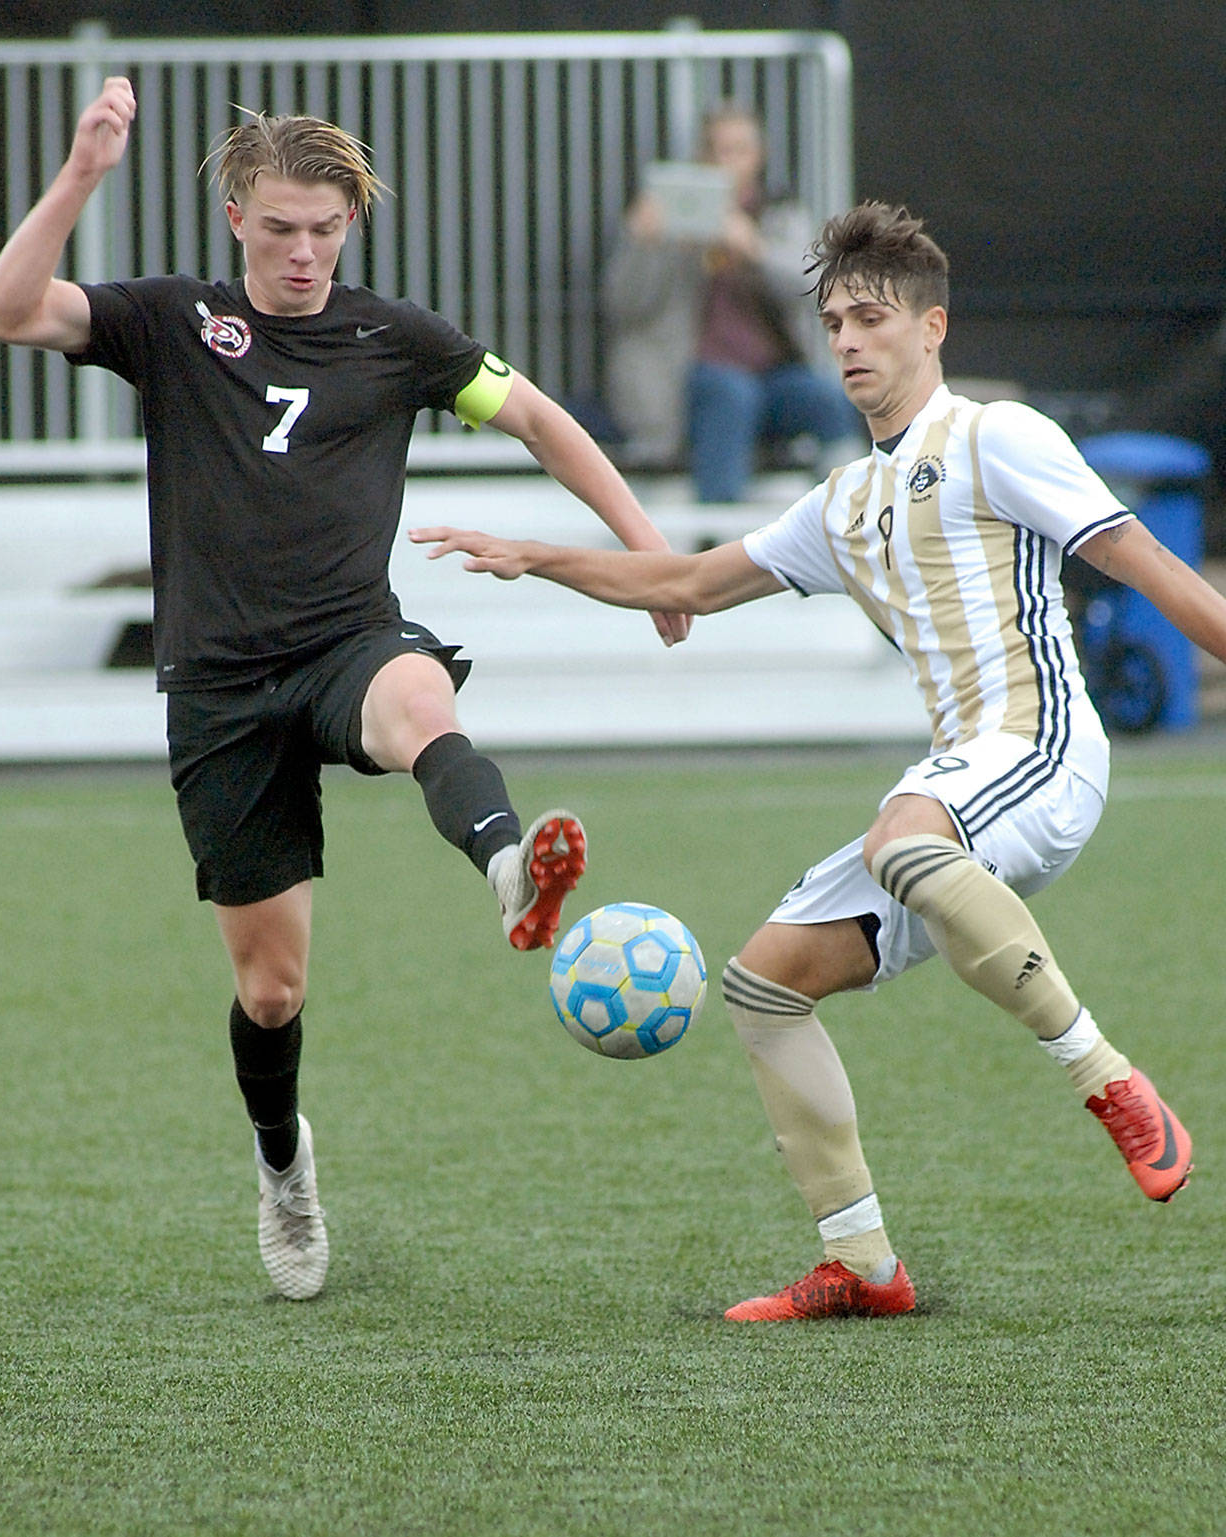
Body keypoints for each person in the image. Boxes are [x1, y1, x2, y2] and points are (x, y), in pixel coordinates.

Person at [415, 200, 1226, 1321]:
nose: (847, 340)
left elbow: (1146, 567)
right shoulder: (845, 503)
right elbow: (689, 585)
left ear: (931, 327)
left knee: (902, 831)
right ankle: (864, 1264)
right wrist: (531, 555)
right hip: (954, 793)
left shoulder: (996, 436)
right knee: (761, 984)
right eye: (834, 321)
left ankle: (1109, 1083)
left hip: (1038, 750)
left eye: (871, 319)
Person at [0, 77, 690, 1303]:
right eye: (279, 228)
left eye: (325, 229)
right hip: (218, 686)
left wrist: (649, 556)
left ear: (350, 221)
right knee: (271, 988)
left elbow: (539, 419)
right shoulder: (169, 322)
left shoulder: (393, 336)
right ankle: (283, 1167)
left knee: (421, 705)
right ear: (238, 219)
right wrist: (84, 171)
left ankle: (514, 868)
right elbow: (6, 310)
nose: (303, 252)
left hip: (345, 640)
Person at [602, 103, 861, 501]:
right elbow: (623, 305)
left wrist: (757, 251)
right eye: (718, 151)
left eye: (739, 150)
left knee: (826, 397)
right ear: (702, 157)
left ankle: (852, 513)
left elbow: (817, 287)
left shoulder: (778, 215)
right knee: (731, 395)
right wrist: (645, 245)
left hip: (773, 374)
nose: (728, 163)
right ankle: (718, 533)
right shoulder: (665, 219)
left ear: (758, 156)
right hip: (691, 377)